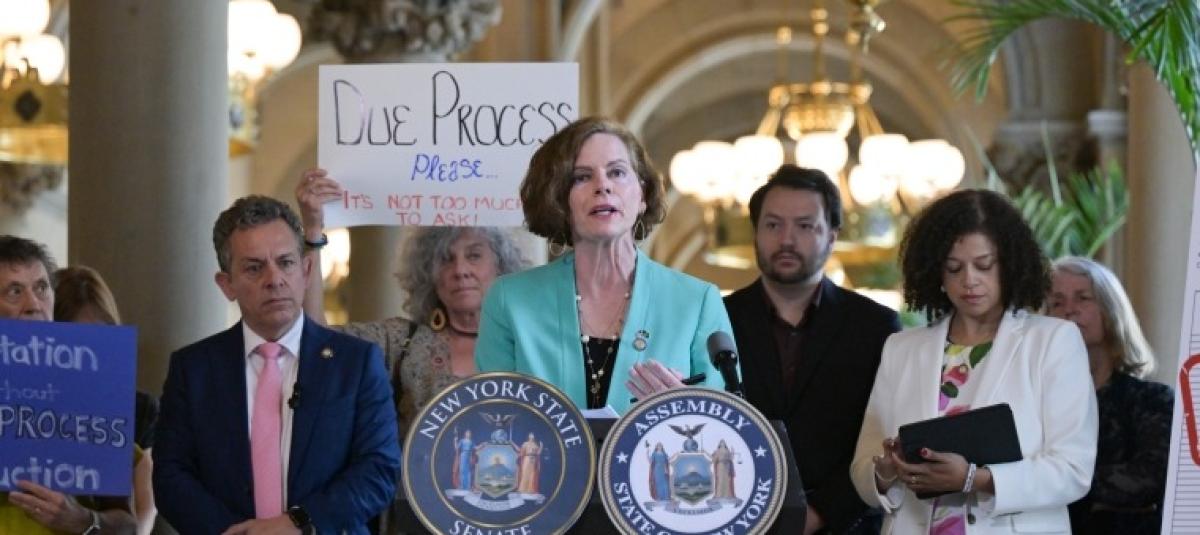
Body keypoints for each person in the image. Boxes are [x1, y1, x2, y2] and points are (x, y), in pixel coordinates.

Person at [851, 190, 1098, 534]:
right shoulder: (901, 348)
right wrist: (886, 470)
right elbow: (863, 471)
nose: (969, 280)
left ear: (1009, 264)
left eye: (984, 265)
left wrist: (975, 478)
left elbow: (1073, 470)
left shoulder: (1053, 341)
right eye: (954, 267)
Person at [153, 196, 400, 535]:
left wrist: (299, 523)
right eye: (254, 268)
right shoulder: (192, 369)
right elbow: (171, 476)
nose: (274, 279)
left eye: (285, 263)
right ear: (227, 284)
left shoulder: (356, 364)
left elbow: (379, 469)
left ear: (306, 271)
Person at [475, 116, 731, 414]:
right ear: (557, 199)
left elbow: (724, 424)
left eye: (617, 172)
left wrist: (683, 410)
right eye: (581, 177)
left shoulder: (697, 301)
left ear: (642, 195)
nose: (603, 186)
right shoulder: (509, 300)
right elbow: (493, 419)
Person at [724, 165, 900, 534]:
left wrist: (821, 513)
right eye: (773, 225)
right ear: (756, 233)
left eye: (805, 226)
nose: (786, 239)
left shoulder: (876, 326)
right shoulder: (718, 319)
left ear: (832, 236)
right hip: (736, 519)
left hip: (845, 526)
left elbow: (885, 435)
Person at [297, 172, 531, 436]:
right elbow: (319, 340)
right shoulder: (402, 341)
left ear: (501, 266)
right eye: (445, 259)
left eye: (474, 256)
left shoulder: (528, 345)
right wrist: (313, 231)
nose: (460, 270)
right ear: (427, 273)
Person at [0, 236, 138, 535]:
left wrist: (82, 519)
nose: (33, 305)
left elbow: (128, 525)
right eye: (14, 291)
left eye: (41, 288)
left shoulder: (92, 391)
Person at [1048, 256, 1173, 534]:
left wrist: (1054, 480)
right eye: (1057, 303)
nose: (1069, 310)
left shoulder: (1153, 399)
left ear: (1110, 310)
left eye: (1083, 298)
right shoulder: (1034, 403)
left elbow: (1151, 477)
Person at [54, 265, 158, 535]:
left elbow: (142, 512)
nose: (89, 355)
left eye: (101, 340)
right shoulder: (32, 403)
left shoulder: (137, 408)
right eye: (76, 343)